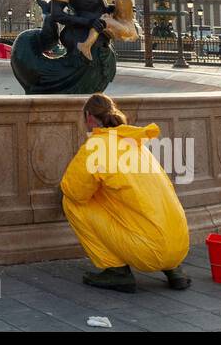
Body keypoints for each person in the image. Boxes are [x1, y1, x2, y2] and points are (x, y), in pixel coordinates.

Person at [61, 93, 191, 293]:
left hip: (147, 252)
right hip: (180, 247)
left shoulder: (96, 148)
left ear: (88, 118)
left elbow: (74, 192)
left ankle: (117, 271)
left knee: (71, 203)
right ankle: (173, 269)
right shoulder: (135, 142)